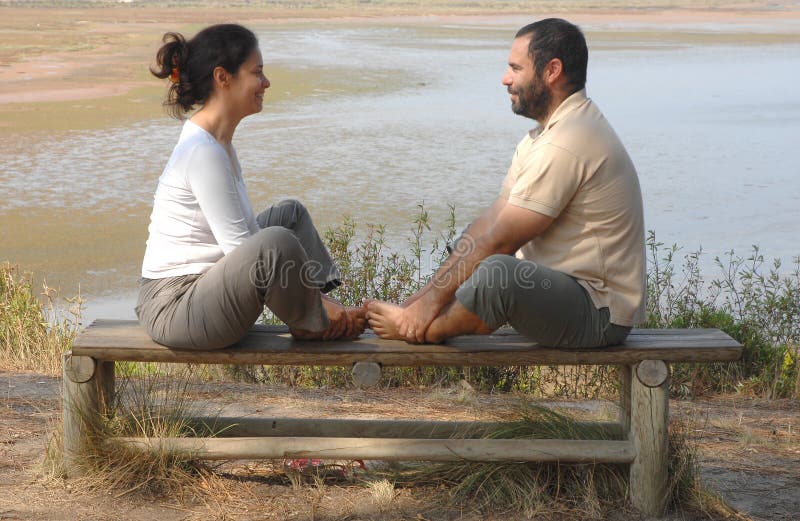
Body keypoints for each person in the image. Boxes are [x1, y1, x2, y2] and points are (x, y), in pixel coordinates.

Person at [367, 18, 645, 348]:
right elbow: (490, 224)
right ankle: (418, 319)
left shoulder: (568, 142)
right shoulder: (546, 136)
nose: (505, 79)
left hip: (597, 315)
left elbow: (502, 240)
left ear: (551, 71)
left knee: (499, 270)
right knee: (474, 235)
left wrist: (422, 315)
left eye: (516, 68)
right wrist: (417, 302)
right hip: (564, 296)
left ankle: (429, 331)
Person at [136, 24, 365, 350]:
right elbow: (241, 246)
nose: (266, 82)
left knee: (289, 216)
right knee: (275, 241)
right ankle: (318, 319)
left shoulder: (219, 144)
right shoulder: (202, 153)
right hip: (176, 307)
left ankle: (317, 315)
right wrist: (325, 311)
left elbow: (245, 236)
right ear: (223, 77)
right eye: (257, 72)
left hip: (203, 292)